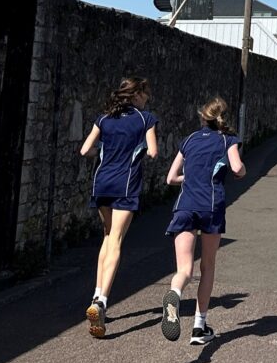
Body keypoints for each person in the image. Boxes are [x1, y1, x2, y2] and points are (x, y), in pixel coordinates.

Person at [160, 98, 245, 345]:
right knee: (207, 265)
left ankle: (174, 295)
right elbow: (238, 168)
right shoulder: (227, 140)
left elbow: (171, 178)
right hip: (210, 206)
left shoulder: (188, 141)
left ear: (202, 118)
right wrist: (240, 171)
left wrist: (192, 174)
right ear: (222, 119)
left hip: (185, 206)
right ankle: (199, 326)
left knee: (184, 269)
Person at [79, 77, 159, 338]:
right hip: (125, 184)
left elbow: (85, 150)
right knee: (116, 241)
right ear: (137, 94)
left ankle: (95, 296)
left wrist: (104, 151)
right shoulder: (145, 118)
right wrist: (136, 151)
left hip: (101, 183)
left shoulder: (103, 118)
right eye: (145, 92)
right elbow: (153, 152)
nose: (147, 97)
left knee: (106, 237)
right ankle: (102, 301)